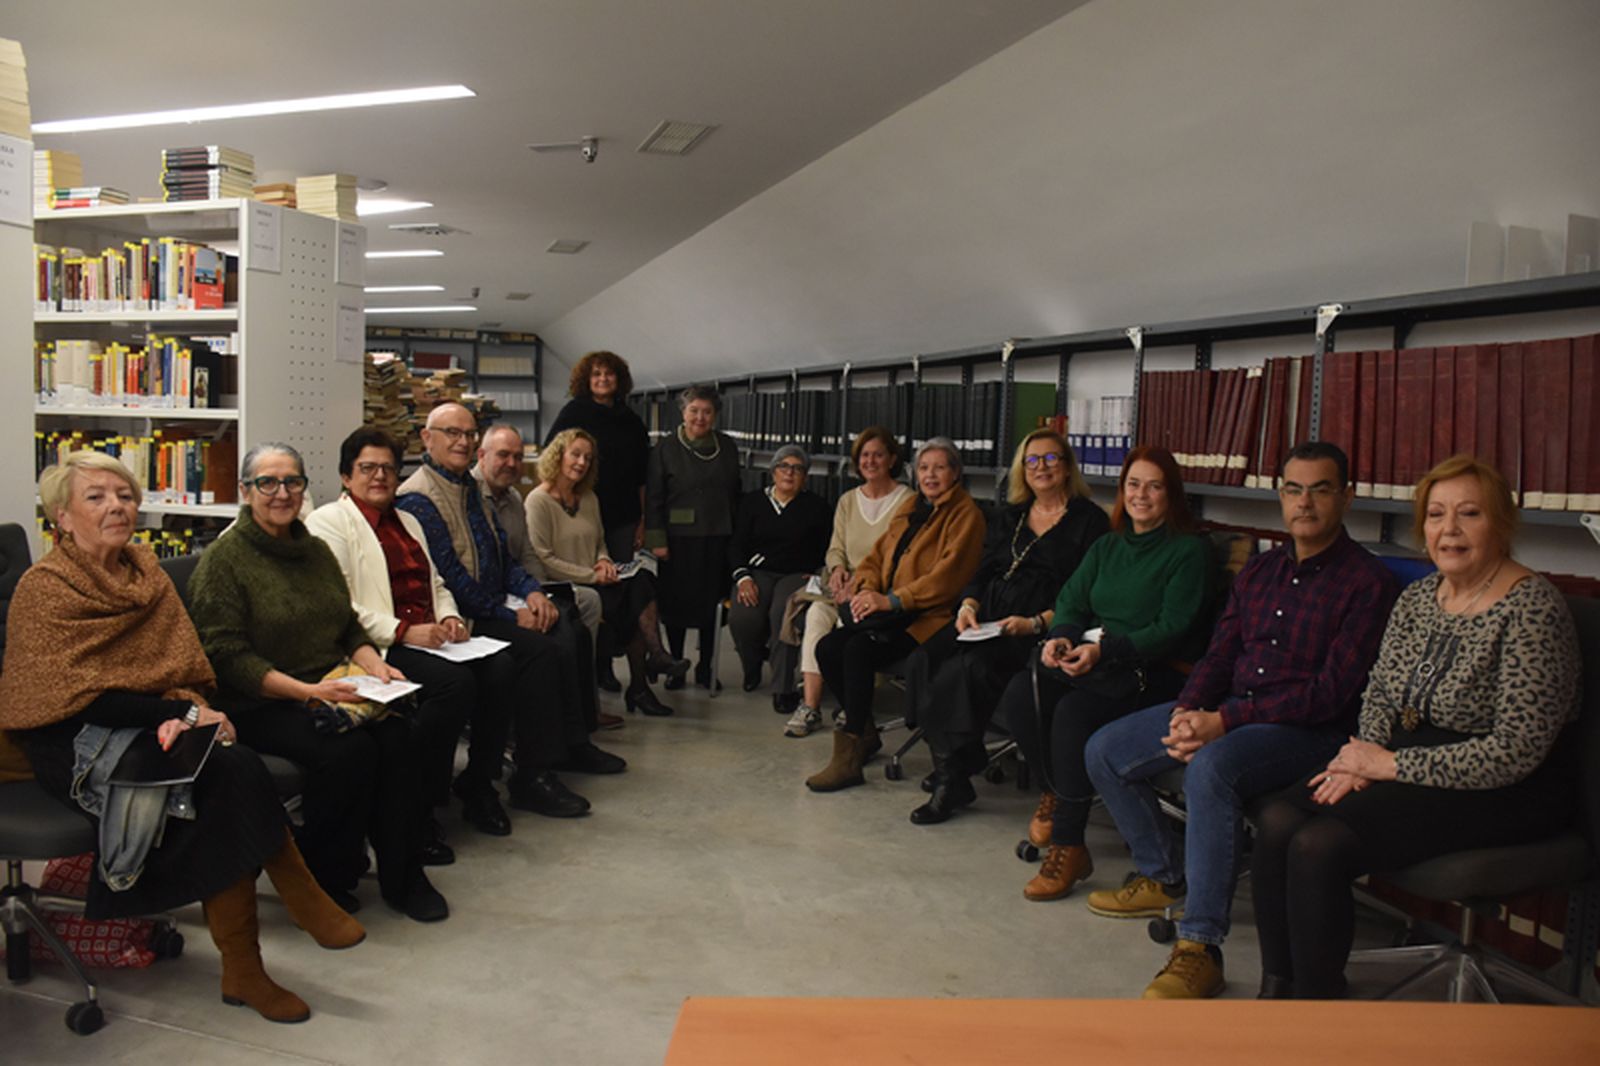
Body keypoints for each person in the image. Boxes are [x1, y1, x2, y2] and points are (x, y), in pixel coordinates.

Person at [0, 451, 364, 1024]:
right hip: (68, 741)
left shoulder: (146, 572)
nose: (116, 506)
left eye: (124, 495)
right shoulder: (44, 587)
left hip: (150, 724)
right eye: (96, 497)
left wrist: (186, 708)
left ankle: (249, 963)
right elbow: (64, 697)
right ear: (62, 518)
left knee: (228, 774)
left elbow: (184, 669)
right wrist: (171, 716)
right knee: (230, 775)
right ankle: (271, 929)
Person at [1250, 455, 1578, 1000]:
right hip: (1410, 758)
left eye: (1468, 514)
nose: (1448, 530)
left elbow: (1516, 751)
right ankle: (1277, 991)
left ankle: (1317, 1011)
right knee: (1279, 820)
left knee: (1319, 844)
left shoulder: (1533, 609)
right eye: (1435, 515)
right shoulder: (1420, 597)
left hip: (1512, 785)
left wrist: (1389, 764)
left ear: (1499, 522)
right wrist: (1363, 757)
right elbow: (1380, 690)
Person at [1082, 441, 1398, 999]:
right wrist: (1187, 710)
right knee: (1105, 748)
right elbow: (1222, 653)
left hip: (1309, 733)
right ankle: (1163, 875)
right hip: (1233, 712)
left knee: (1213, 770)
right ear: (1280, 496)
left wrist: (1223, 722)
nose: (1305, 503)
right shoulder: (1263, 569)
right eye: (1294, 489)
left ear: (1346, 497)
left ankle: (1200, 945)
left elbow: (1330, 695)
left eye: (1320, 489)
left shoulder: (1366, 584)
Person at [190, 442, 450, 923]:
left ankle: (404, 876)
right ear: (246, 492)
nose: (281, 493)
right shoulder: (224, 562)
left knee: (399, 737)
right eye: (267, 482)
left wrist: (375, 665)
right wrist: (308, 693)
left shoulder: (312, 550)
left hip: (329, 683)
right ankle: (325, 875)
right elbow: (226, 657)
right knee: (348, 753)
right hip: (258, 700)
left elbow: (346, 624)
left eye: (292, 481)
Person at [994, 445, 1210, 901]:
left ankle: (1069, 844)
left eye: (1154, 486)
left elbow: (1171, 628)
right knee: (1021, 692)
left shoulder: (1189, 551)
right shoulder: (1109, 545)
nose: (1142, 495)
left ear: (1172, 494)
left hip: (1154, 672)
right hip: (1101, 660)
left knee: (1072, 713)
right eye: (1133, 484)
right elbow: (1072, 599)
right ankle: (1058, 791)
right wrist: (1065, 637)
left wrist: (1102, 649)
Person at [397, 403, 623, 820]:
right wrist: (509, 615)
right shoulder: (418, 498)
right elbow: (449, 577)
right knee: (539, 651)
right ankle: (529, 776)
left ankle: (561, 750)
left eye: (468, 433)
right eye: (452, 433)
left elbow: (504, 557)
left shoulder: (470, 489)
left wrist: (532, 593)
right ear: (427, 439)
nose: (462, 441)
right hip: (457, 617)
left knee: (561, 628)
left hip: (490, 605)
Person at [306, 427, 512, 845]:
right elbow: (339, 603)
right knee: (453, 687)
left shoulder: (410, 521)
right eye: (368, 468)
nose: (380, 476)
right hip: (376, 645)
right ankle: (416, 807)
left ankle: (477, 783)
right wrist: (403, 631)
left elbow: (436, 583)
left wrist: (451, 618)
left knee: (501, 667)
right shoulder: (328, 522)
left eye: (388, 468)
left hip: (430, 636)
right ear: (347, 476)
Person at [906, 430, 1108, 825]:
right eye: (1032, 460)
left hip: (1039, 627)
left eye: (1051, 459)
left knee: (968, 670)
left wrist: (1036, 622)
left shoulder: (1091, 522)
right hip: (987, 618)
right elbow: (982, 570)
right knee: (922, 659)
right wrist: (968, 604)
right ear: (1022, 469)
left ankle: (953, 779)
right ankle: (960, 759)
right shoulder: (1010, 515)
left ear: (1067, 467)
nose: (1042, 468)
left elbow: (1089, 596)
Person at [806, 438, 985, 793]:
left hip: (930, 619)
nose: (930, 475)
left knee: (858, 649)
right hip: (891, 611)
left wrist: (891, 600)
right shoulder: (913, 508)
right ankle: (867, 732)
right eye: (923, 468)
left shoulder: (967, 515)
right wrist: (865, 590)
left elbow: (947, 580)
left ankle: (851, 751)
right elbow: (876, 556)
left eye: (939, 467)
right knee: (827, 648)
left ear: (955, 473)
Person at [525, 428, 690, 717]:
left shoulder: (588, 497)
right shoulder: (538, 501)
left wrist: (603, 561)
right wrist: (592, 575)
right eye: (575, 454)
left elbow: (600, 541)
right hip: (565, 585)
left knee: (642, 580)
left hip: (597, 578)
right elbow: (543, 558)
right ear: (558, 456)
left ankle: (654, 661)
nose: (581, 463)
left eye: (588, 458)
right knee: (632, 606)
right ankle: (645, 678)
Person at [474, 422, 609, 731]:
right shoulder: (475, 499)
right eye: (503, 455)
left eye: (517, 457)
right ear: (481, 455)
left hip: (521, 590)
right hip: (490, 605)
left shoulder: (513, 500)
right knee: (560, 636)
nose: (511, 463)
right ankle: (557, 734)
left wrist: (537, 594)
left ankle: (580, 728)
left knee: (573, 626)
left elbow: (525, 558)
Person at [778, 427, 912, 737]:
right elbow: (835, 547)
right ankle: (810, 706)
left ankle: (851, 705)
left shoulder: (908, 502)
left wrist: (863, 584)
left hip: (879, 589)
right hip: (840, 586)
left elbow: (901, 556)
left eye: (878, 454)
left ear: (892, 459)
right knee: (815, 616)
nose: (870, 461)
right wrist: (837, 570)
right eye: (864, 455)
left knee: (848, 630)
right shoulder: (848, 500)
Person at [545, 352, 652, 696]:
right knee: (595, 594)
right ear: (585, 379)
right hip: (577, 512)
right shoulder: (574, 413)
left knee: (617, 592)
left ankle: (616, 663)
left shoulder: (632, 421)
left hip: (620, 517)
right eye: (596, 374)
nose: (603, 380)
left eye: (609, 374)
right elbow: (553, 457)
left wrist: (642, 520)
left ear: (619, 379)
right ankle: (601, 668)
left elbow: (641, 477)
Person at [645, 385, 742, 690]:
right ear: (683, 412)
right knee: (676, 604)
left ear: (715, 415)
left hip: (718, 535)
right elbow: (654, 497)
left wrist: (737, 536)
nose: (700, 417)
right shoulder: (666, 448)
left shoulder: (726, 446)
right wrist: (656, 540)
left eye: (707, 412)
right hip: (677, 539)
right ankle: (675, 664)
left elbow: (735, 493)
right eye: (694, 411)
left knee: (711, 605)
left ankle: (706, 666)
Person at [727, 445, 831, 693]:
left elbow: (829, 548)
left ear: (805, 477)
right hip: (757, 573)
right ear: (773, 472)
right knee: (744, 616)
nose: (789, 473)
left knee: (784, 616)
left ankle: (782, 689)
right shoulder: (752, 502)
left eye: (797, 468)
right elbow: (736, 545)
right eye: (784, 466)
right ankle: (751, 667)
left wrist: (818, 574)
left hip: (797, 574)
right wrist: (743, 578)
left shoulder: (817, 507)